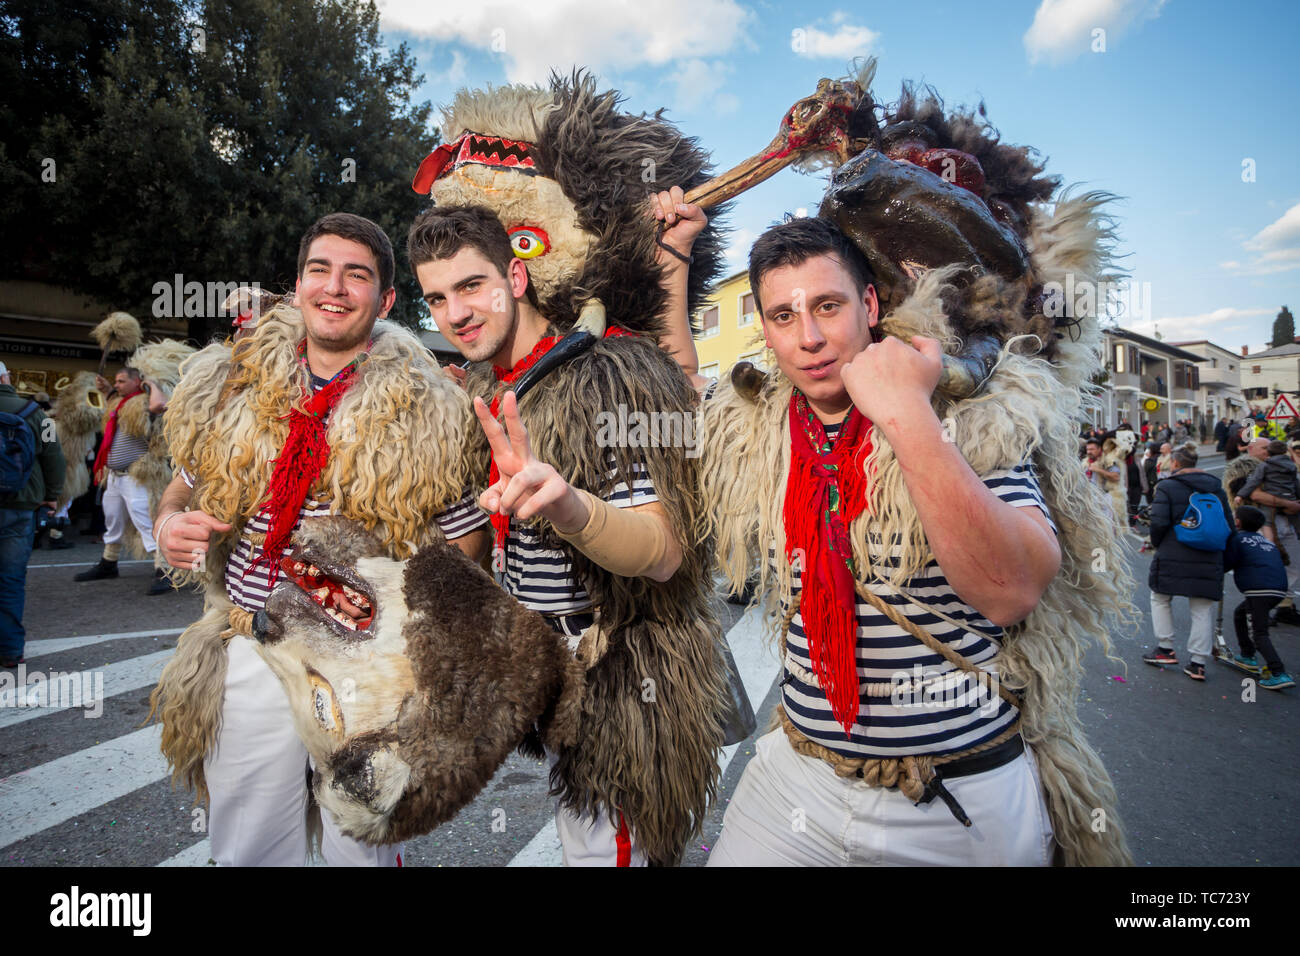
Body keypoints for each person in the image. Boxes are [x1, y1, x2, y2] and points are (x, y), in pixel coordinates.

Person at [697, 216, 1131, 866]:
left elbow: (1011, 590)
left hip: (956, 799)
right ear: (765, 328)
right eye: (783, 316)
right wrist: (675, 259)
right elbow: (679, 392)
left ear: (868, 305)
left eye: (827, 306)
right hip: (798, 776)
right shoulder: (758, 426)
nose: (809, 337)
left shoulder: (971, 407)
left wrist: (905, 411)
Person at [149, 212, 489, 866]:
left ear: (385, 299)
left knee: (359, 848)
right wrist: (169, 527)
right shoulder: (235, 390)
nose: (335, 288)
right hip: (255, 648)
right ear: (299, 284)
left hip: (366, 667)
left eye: (356, 275)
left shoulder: (429, 410)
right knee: (249, 848)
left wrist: (406, 626)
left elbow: (469, 542)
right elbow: (178, 491)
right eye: (320, 270)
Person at [407, 201, 727, 867]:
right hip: (548, 661)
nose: (456, 313)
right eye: (437, 298)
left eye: (472, 286)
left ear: (516, 279)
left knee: (605, 850)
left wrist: (570, 507)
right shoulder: (480, 389)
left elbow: (664, 554)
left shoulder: (611, 374)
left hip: (619, 670)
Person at [1143, 444, 1232, 680]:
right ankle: (1198, 662)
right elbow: (1229, 525)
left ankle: (1165, 648)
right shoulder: (1216, 488)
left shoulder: (1167, 486)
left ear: (1174, 463)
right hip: (1209, 553)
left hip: (1174, 550)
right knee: (1202, 608)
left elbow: (1159, 522)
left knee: (1160, 597)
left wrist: (1157, 543)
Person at [0, 361, 66, 668]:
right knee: (11, 579)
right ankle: (10, 650)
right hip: (21, 505)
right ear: (6, 378)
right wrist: (51, 496)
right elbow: (55, 456)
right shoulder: (37, 413)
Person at [1223, 506, 1295, 689]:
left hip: (1259, 590)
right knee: (1240, 613)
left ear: (1237, 522)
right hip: (1278, 589)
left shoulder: (1238, 539)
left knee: (1259, 632)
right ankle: (1247, 653)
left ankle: (1278, 672)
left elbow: (1228, 562)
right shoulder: (1265, 541)